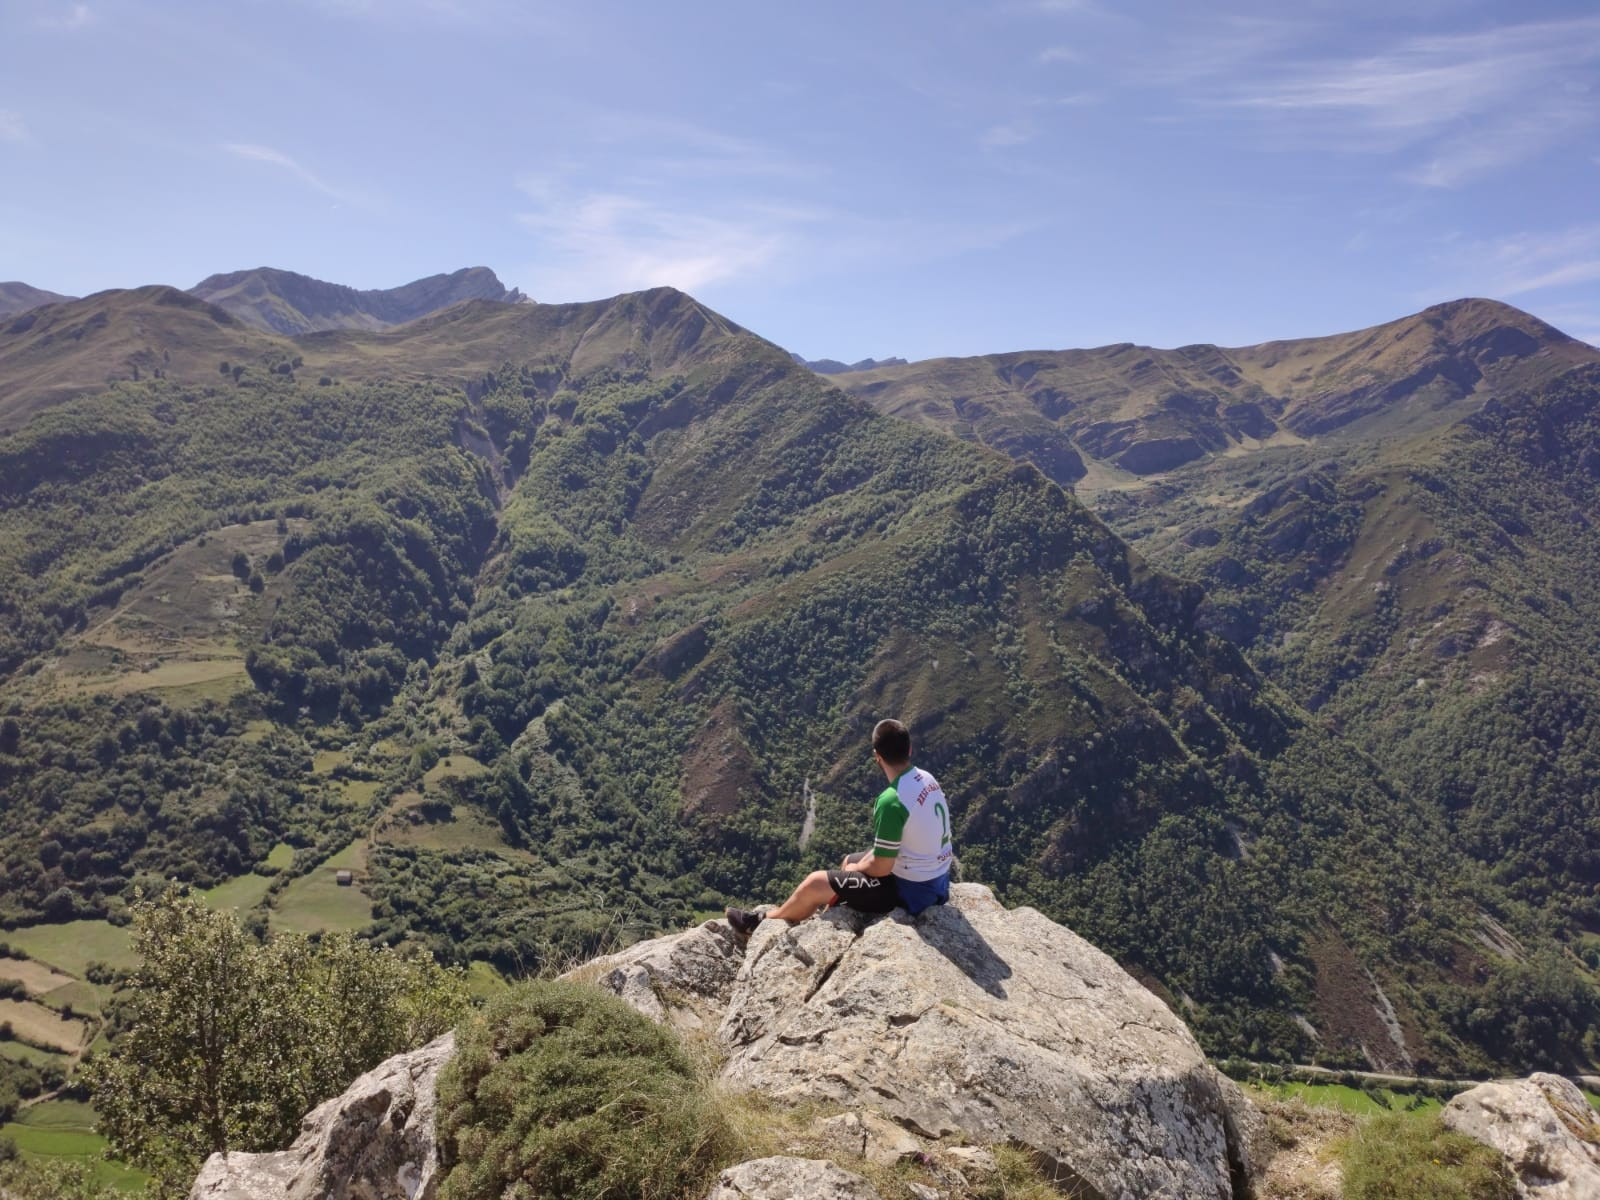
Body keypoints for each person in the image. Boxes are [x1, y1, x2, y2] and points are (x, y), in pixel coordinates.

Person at [725, 718, 954, 935]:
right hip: (937, 879)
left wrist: (860, 868)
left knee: (815, 882)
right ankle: (835, 905)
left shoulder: (892, 800)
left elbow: (883, 867)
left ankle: (761, 923)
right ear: (909, 749)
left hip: (913, 892)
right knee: (849, 861)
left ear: (877, 756)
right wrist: (858, 866)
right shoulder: (926, 778)